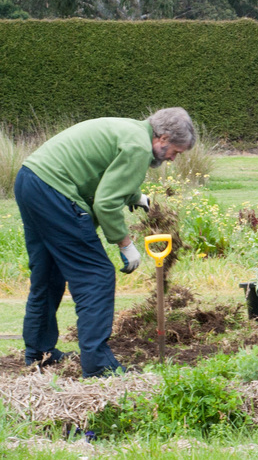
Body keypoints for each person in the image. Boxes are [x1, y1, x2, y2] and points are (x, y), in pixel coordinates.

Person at [15, 108, 196, 377]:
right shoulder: (139, 146)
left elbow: (102, 170)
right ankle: (98, 367)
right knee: (96, 275)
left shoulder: (131, 129)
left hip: (31, 180)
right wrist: (125, 244)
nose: (172, 158)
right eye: (175, 152)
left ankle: (39, 354)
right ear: (163, 137)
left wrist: (135, 196)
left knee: (48, 273)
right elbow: (106, 203)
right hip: (54, 191)